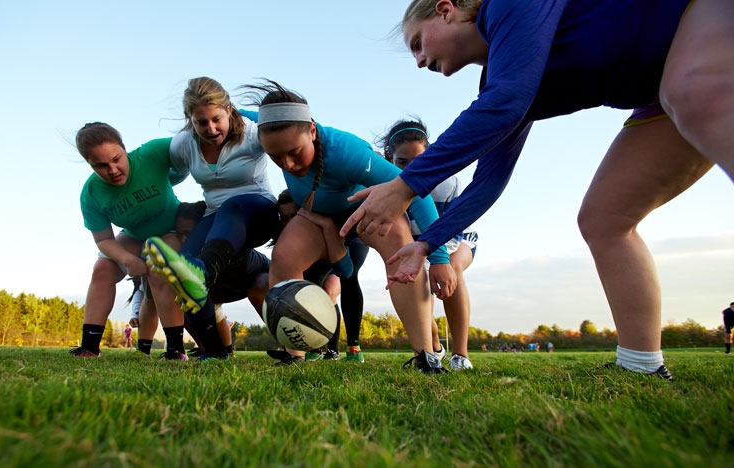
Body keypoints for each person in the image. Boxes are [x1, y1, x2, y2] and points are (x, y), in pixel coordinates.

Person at [342, 0, 734, 381]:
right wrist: (426, 244)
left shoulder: (510, 6)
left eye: (417, 43)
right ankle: (641, 364)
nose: (419, 61)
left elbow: (506, 103)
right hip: (661, 95)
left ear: (446, 10)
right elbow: (488, 182)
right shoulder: (502, 75)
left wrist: (405, 185)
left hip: (699, 17)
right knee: (605, 219)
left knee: (696, 91)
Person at [240, 79, 458, 374]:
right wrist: (225, 109)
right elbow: (244, 116)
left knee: (401, 250)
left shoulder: (347, 153)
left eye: (294, 152)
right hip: (319, 216)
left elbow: (416, 191)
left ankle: (426, 356)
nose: (288, 164)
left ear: (312, 131)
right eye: (276, 157)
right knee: (284, 256)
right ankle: (294, 353)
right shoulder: (270, 131)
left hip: (365, 211)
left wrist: (440, 257)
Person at [144, 76, 279, 360]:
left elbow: (292, 152)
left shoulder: (254, 135)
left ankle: (202, 272)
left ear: (229, 109)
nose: (211, 128)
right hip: (216, 217)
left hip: (258, 211)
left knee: (230, 209)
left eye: (216, 119)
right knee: (184, 266)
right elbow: (173, 174)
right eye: (201, 122)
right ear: (190, 120)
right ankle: (214, 351)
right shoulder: (184, 144)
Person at [72, 122, 188, 359]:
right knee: (102, 267)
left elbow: (193, 142)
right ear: (89, 164)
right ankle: (89, 347)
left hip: (171, 229)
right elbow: (103, 239)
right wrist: (127, 259)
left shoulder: (152, 153)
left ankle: (175, 349)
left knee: (159, 265)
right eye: (101, 166)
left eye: (116, 159)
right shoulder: (91, 193)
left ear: (125, 149)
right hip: (134, 235)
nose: (113, 170)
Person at [378, 117, 479, 371]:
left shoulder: (446, 183)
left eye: (420, 160)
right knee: (414, 282)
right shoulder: (383, 184)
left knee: (451, 268)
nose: (412, 170)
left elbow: (452, 229)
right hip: (416, 244)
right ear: (390, 157)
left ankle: (461, 354)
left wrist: (435, 259)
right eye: (402, 163)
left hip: (456, 237)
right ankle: (430, 345)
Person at [275, 189, 369, 364]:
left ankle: (351, 348)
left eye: (294, 216)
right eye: (284, 218)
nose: (289, 223)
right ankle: (316, 346)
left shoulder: (323, 217)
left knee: (335, 287)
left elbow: (345, 268)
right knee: (313, 289)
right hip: (322, 257)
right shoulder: (290, 237)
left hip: (348, 241)